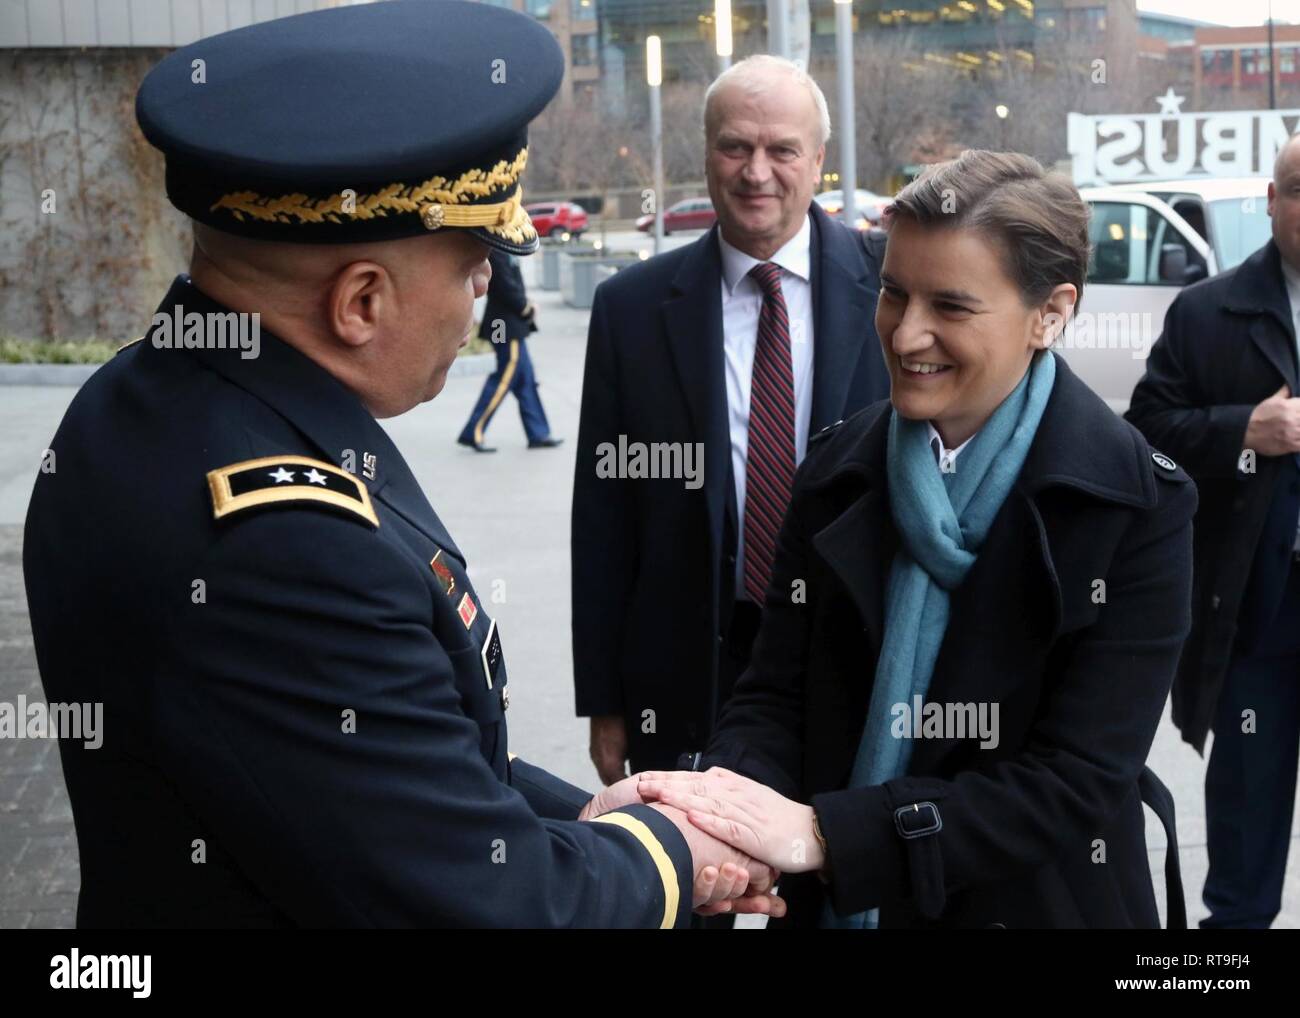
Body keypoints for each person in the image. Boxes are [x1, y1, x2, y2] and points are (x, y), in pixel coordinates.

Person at [22, 1, 779, 928]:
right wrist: (676, 855)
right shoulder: (287, 543)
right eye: (475, 264)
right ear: (361, 302)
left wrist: (588, 816)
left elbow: (387, 772)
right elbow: (484, 901)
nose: (482, 296)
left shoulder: (136, 398)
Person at [638, 151, 1196, 929]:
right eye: (894, 292)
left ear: (1051, 312)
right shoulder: (836, 469)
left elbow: (1076, 781)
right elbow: (774, 695)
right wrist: (720, 817)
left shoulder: (1136, 505)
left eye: (951, 306)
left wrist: (831, 836)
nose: (906, 335)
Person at [573, 55, 891, 783]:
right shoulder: (630, 310)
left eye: (781, 149)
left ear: (818, 162)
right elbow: (604, 517)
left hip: (851, 668)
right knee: (687, 888)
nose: (757, 172)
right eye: (735, 146)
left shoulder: (894, 288)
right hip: (684, 675)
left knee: (829, 887)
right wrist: (607, 700)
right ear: (706, 153)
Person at [1126, 133, 1300, 928]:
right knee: (1245, 827)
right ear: (1272, 200)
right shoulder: (1208, 312)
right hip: (1258, 612)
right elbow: (1147, 432)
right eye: (1299, 190)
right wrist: (1242, 431)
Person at [457, 246, 562, 452]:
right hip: (504, 324)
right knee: (503, 377)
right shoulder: (497, 248)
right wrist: (526, 307)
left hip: (506, 323)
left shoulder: (504, 246)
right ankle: (473, 431)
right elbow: (505, 286)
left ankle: (538, 433)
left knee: (526, 380)